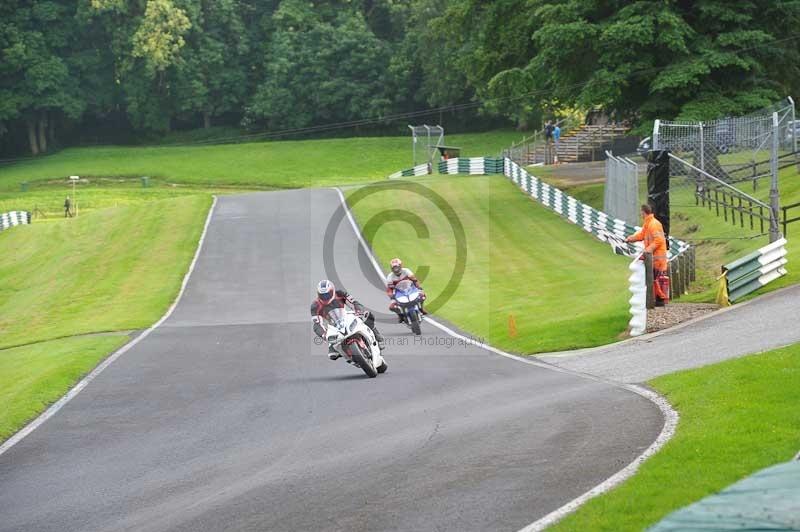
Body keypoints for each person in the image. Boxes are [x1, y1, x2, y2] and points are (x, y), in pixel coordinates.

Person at [311, 279, 385, 360]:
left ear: (332, 291)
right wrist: (324, 335)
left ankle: (377, 335)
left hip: (345, 317)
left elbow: (354, 303)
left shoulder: (340, 294)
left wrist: (359, 311)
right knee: (332, 355)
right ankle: (338, 349)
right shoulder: (315, 306)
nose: (325, 297)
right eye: (322, 295)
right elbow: (317, 324)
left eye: (327, 294)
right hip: (332, 328)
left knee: (367, 315)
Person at [626, 204, 669, 306]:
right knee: (653, 278)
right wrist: (630, 239)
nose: (640, 214)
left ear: (643, 212)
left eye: (640, 212)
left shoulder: (653, 224)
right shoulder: (648, 223)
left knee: (654, 279)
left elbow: (658, 240)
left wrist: (648, 250)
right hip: (653, 257)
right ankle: (658, 299)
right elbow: (642, 235)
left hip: (657, 257)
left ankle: (660, 299)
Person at [386, 258, 427, 322]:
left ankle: (421, 308)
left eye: (397, 267)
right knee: (392, 307)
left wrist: (419, 287)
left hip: (410, 289)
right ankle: (400, 315)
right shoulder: (390, 277)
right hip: (398, 293)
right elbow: (389, 289)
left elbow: (414, 280)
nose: (396, 269)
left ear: (400, 266)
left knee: (422, 296)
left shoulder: (406, 271)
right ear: (391, 268)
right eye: (394, 268)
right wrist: (391, 295)